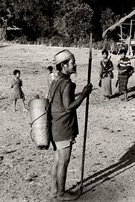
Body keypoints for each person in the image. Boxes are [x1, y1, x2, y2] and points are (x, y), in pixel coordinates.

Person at [49, 49, 92, 201]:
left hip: (54, 125)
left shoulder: (55, 80)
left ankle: (54, 190)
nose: (75, 65)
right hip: (64, 127)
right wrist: (84, 95)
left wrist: (79, 93)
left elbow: (60, 101)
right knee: (64, 161)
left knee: (57, 160)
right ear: (64, 65)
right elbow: (68, 107)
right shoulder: (66, 83)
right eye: (72, 63)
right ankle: (61, 193)